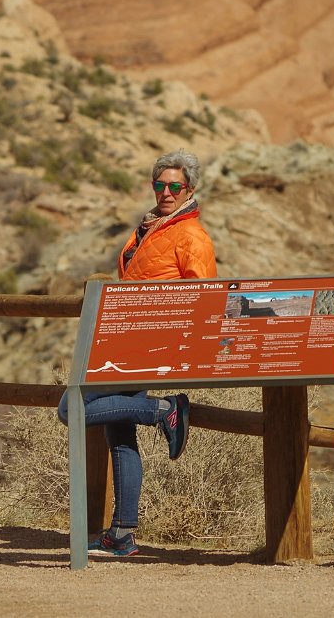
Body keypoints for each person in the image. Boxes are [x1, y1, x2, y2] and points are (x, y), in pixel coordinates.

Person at [58, 148, 217, 557]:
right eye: (160, 184)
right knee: (120, 435)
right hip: (126, 342)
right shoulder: (149, 227)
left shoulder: (190, 236)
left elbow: (205, 297)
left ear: (190, 190)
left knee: (69, 409)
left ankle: (162, 409)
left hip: (152, 345)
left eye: (175, 186)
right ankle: (124, 533)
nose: (166, 191)